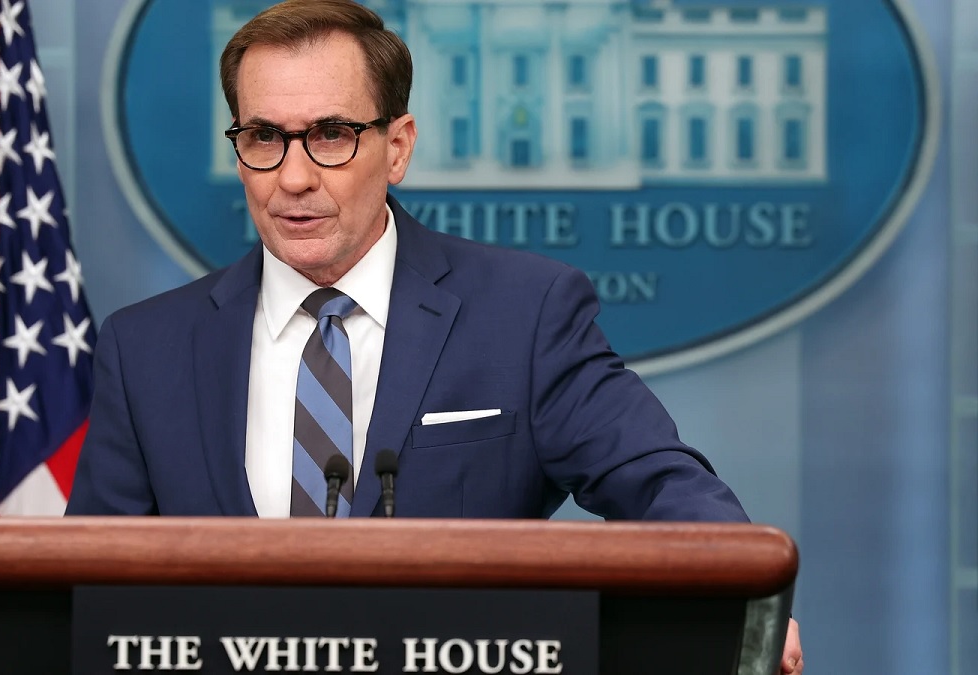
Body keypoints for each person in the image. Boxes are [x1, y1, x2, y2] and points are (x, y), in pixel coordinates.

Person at [65, 1, 802, 672]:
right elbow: (84, 595)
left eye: (330, 135)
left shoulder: (524, 315)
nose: (293, 177)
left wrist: (736, 596)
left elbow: (658, 479)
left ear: (398, 147)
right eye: (264, 137)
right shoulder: (147, 350)